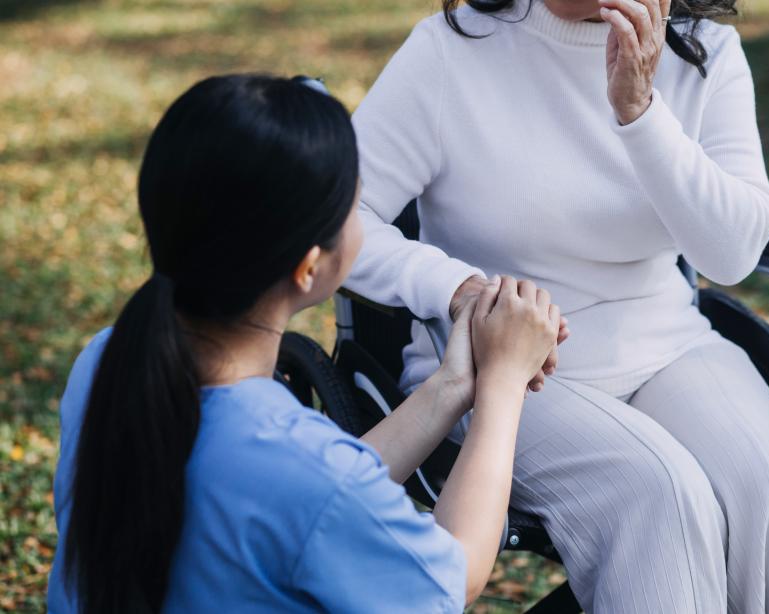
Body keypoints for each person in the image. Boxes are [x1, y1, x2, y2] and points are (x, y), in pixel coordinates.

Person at [345, 0, 769, 611]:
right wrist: (457, 288)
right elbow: (346, 218)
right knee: (657, 491)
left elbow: (732, 254)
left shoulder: (706, 51)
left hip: (666, 345)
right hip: (504, 364)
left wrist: (640, 112)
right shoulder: (453, 50)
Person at [46, 74, 559, 614]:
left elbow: (304, 499)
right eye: (355, 209)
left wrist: (453, 386)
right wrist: (503, 384)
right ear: (310, 266)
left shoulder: (106, 360)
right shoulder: (302, 466)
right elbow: (450, 581)